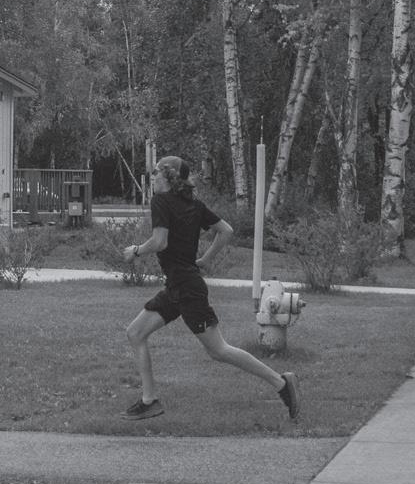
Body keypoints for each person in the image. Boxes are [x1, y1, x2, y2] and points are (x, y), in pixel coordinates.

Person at [120, 155, 298, 422]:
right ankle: (149, 401)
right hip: (177, 286)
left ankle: (282, 383)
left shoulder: (161, 201)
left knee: (219, 350)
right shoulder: (193, 204)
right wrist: (205, 260)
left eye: (156, 172)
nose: (152, 176)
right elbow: (226, 230)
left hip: (187, 289)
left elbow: (159, 241)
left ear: (168, 176)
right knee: (135, 333)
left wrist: (135, 251)